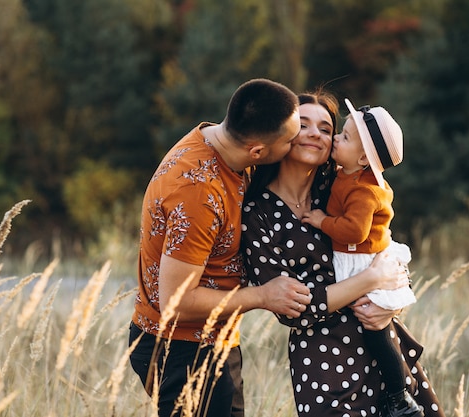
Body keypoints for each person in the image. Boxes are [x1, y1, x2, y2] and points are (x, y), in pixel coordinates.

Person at [241, 91, 445, 417]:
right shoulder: (256, 213)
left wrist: (389, 304)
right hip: (324, 360)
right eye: (302, 124)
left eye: (325, 128)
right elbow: (292, 311)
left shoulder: (338, 186)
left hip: (382, 347)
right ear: (284, 133)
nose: (316, 134)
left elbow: (383, 246)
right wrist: (370, 279)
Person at [129, 78, 313, 417]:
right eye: (290, 140)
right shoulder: (198, 192)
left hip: (207, 340)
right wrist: (263, 296)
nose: (297, 142)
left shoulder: (219, 140)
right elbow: (177, 302)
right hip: (182, 350)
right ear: (257, 151)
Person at [301, 98, 422, 416]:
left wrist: (320, 221)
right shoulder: (344, 173)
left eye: (343, 136)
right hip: (364, 264)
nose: (336, 138)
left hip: (363, 260)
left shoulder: (364, 191)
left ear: (364, 159)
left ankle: (399, 398)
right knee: (374, 327)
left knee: (377, 329)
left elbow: (354, 231)